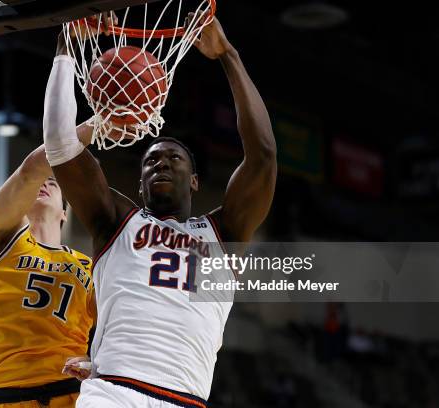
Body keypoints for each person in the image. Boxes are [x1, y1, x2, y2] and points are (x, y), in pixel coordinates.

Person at [45, 11, 277, 408]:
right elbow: (61, 146)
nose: (161, 163)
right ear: (139, 185)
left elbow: (263, 156)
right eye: (151, 161)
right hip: (114, 391)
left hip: (184, 400)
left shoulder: (225, 232)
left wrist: (228, 55)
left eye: (174, 158)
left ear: (194, 181)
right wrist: (67, 49)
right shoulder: (118, 220)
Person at [0, 125, 97, 408]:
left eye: (54, 182)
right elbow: (30, 171)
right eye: (42, 179)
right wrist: (96, 126)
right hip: (3, 396)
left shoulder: (88, 266)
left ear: (64, 212)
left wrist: (99, 359)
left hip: (70, 395)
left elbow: (119, 327)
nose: (45, 182)